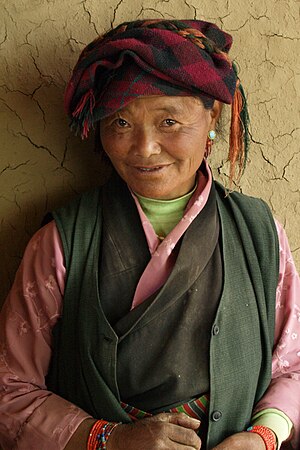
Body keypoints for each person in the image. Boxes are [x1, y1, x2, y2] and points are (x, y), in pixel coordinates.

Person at [0, 18, 299, 450]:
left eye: (169, 121)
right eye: (119, 123)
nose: (144, 148)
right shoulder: (63, 241)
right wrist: (110, 439)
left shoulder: (258, 233)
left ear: (212, 115)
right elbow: (11, 389)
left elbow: (293, 364)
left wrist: (263, 437)